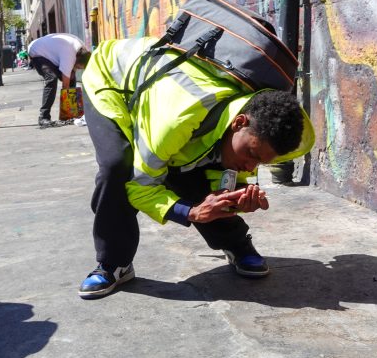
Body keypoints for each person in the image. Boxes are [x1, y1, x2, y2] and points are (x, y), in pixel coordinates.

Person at [77, 37, 314, 299]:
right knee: (117, 166)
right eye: (251, 155)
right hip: (111, 79)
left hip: (172, 100)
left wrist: (236, 198)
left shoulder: (250, 127)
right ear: (238, 123)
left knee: (200, 164)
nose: (250, 166)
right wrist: (191, 212)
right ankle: (114, 263)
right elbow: (141, 187)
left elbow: (222, 179)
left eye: (260, 163)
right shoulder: (174, 122)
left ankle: (236, 244)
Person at [27, 33, 90, 128]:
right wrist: (65, 108)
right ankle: (44, 117)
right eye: (78, 67)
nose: (77, 69)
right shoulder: (69, 55)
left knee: (72, 77)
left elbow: (70, 74)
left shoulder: (82, 50)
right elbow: (65, 86)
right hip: (37, 51)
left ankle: (72, 114)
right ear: (76, 60)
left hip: (51, 54)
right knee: (51, 79)